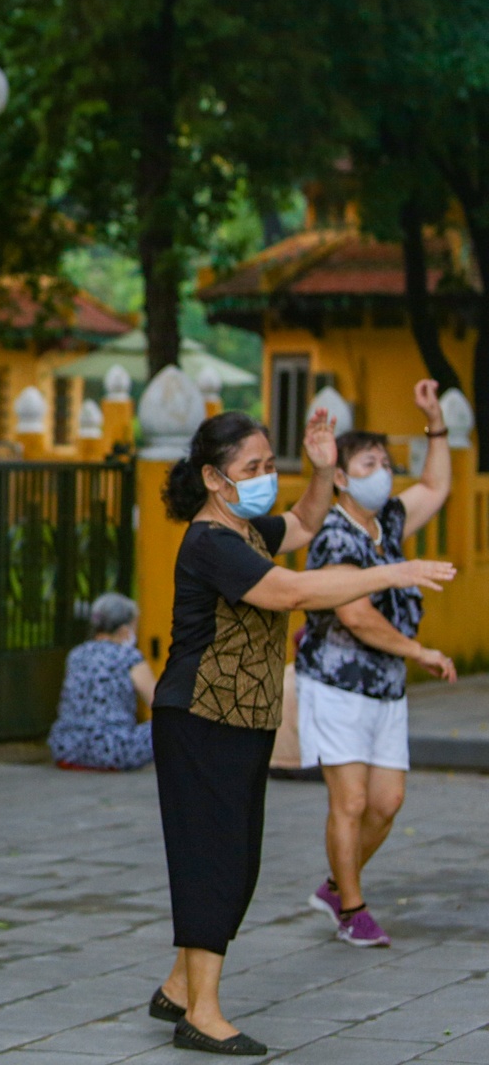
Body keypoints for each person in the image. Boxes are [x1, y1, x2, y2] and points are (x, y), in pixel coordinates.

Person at [148, 410, 453, 1056]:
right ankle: (201, 1012)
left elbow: (307, 523)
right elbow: (290, 591)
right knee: (215, 864)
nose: (264, 478)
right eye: (250, 469)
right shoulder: (210, 542)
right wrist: (391, 572)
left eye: (268, 465)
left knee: (235, 860)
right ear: (212, 477)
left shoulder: (245, 528)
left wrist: (319, 471)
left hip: (241, 717)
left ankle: (180, 986)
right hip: (201, 718)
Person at [295, 382, 459, 948]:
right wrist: (420, 652)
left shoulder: (385, 522)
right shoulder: (334, 537)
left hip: (385, 689)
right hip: (337, 684)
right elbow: (356, 615)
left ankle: (337, 885)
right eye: (369, 463)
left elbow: (436, 485)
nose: (382, 472)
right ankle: (353, 909)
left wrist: (434, 421)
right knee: (353, 800)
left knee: (388, 803)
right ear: (340, 477)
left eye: (386, 463)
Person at [47, 592, 156, 772]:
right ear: (123, 630)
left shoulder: (76, 655)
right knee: (172, 722)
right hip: (112, 750)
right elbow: (158, 702)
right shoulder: (129, 657)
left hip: (67, 748)